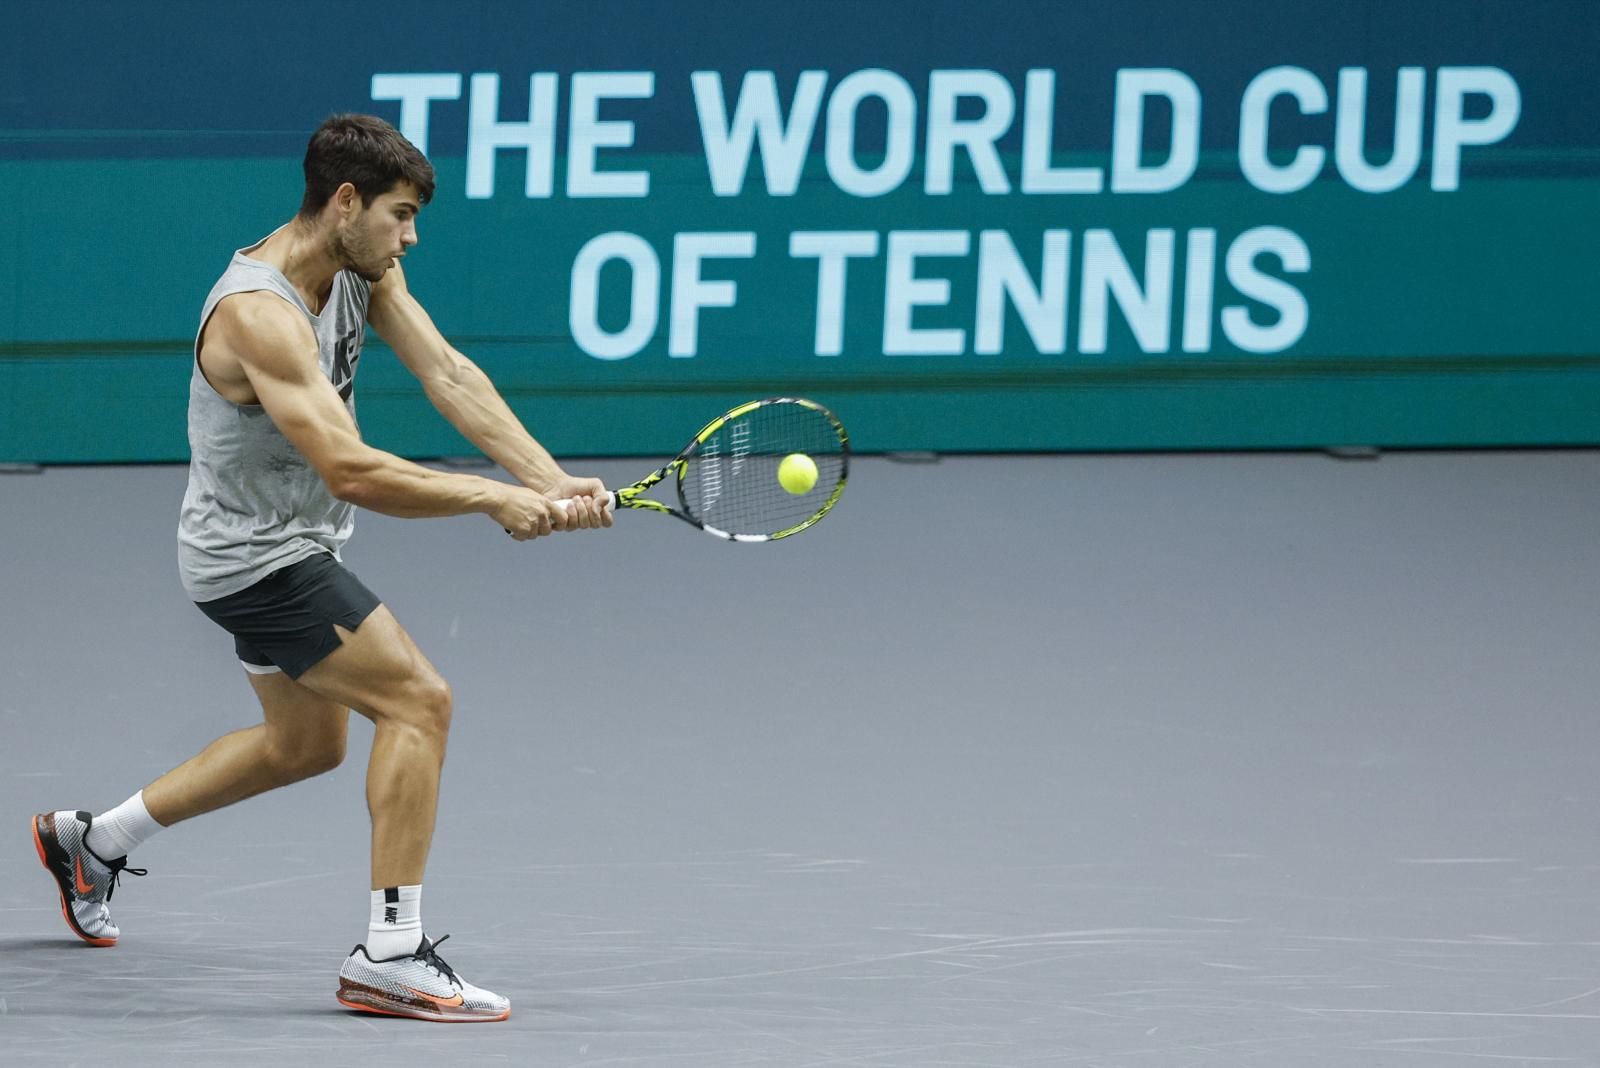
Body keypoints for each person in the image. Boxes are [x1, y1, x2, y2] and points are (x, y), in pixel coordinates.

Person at [30, 113, 610, 1023]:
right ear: (345, 201)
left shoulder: (362, 266)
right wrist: (493, 499)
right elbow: (350, 467)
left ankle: (91, 842)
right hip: (256, 560)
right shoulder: (257, 315)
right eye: (401, 214)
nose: (410, 236)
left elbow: (447, 373)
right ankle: (390, 954)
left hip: (293, 540)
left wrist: (546, 478)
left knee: (307, 747)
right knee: (419, 701)